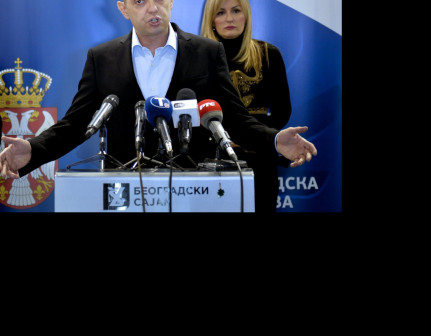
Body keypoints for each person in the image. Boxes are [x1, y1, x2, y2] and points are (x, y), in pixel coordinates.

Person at [0, 0, 316, 213]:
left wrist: (275, 139)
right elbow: (76, 124)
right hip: (125, 194)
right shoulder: (102, 58)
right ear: (123, 8)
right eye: (139, 0)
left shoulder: (208, 52)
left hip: (196, 194)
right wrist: (33, 151)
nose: (153, 7)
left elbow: (236, 119)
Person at [201, 0, 291, 213]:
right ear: (211, 20)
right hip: (211, 158)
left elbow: (282, 111)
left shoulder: (269, 54)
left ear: (246, 16)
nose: (229, 18)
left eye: (236, 11)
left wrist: (254, 139)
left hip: (259, 158)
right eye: (220, 13)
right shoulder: (199, 56)